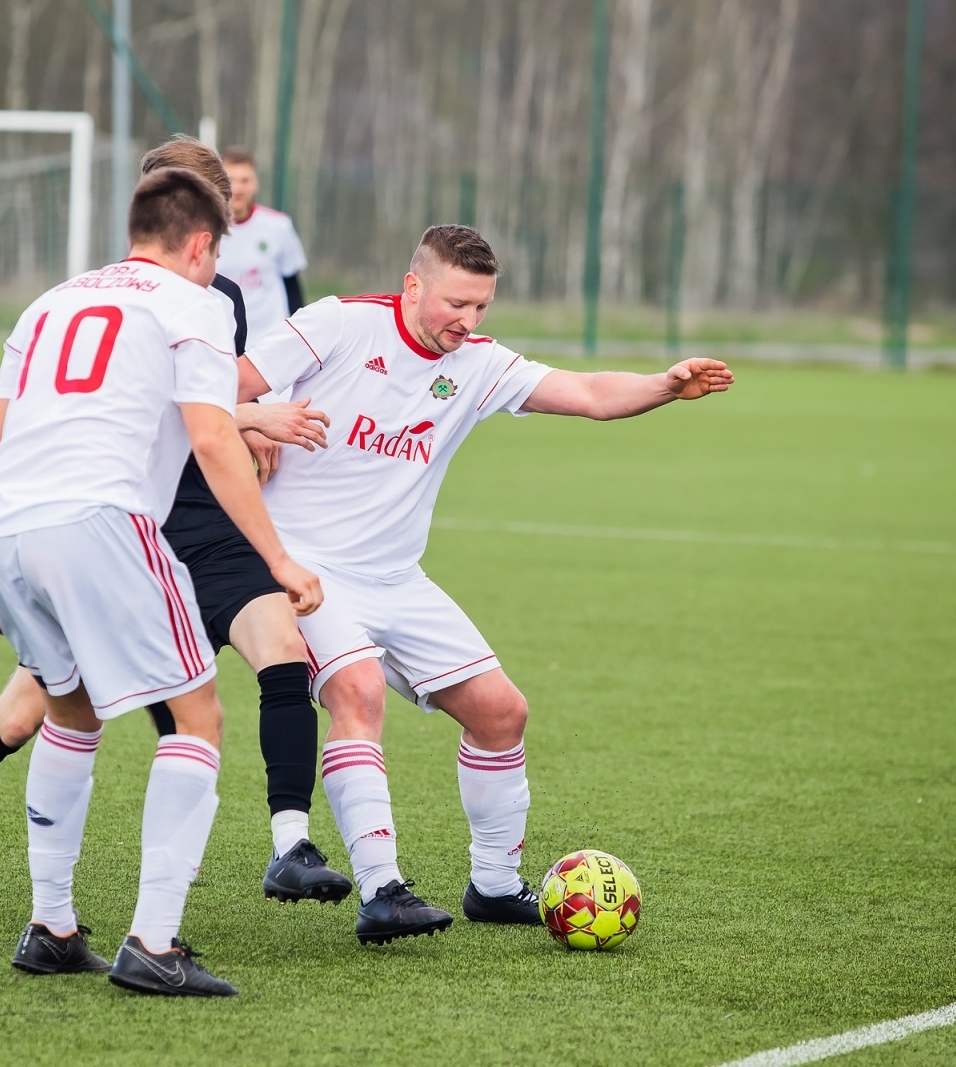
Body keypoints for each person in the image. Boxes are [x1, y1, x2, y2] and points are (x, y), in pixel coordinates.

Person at [0, 138, 350, 918]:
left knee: (278, 648)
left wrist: (248, 423)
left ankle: (289, 844)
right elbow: (204, 424)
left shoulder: (68, 297)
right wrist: (255, 427)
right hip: (125, 529)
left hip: (175, 520)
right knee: (32, 713)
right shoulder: (190, 297)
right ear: (200, 230)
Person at [237, 224, 733, 945]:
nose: (467, 322)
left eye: (481, 307)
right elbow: (216, 390)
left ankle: (495, 886)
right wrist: (251, 420)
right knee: (358, 692)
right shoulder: (339, 324)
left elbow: (588, 392)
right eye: (456, 303)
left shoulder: (476, 363)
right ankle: (381, 891)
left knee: (502, 713)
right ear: (414, 285)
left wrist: (664, 384)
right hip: (304, 567)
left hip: (397, 578)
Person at [0, 166, 322, 996]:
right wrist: (278, 559)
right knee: (197, 718)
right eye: (217, 253)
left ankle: (52, 927)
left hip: (6, 524)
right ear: (200, 244)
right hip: (103, 520)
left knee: (71, 711)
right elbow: (214, 438)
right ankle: (154, 942)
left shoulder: (50, 301)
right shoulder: (193, 303)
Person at [216, 147, 308, 346]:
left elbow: (292, 285)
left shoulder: (278, 225)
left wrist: (300, 334)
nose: (238, 188)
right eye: (231, 180)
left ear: (255, 184)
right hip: (223, 339)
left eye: (245, 180)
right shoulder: (206, 229)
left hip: (271, 341)